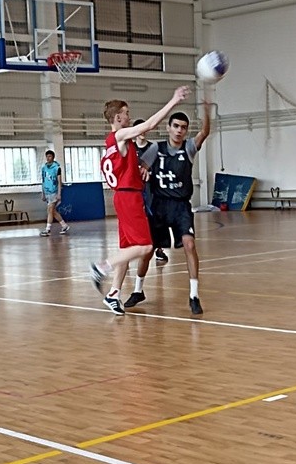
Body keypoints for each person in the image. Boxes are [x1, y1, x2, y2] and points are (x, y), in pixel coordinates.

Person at [90, 87, 190, 315]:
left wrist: (140, 168)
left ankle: (113, 294)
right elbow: (149, 125)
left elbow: (124, 165)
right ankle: (101, 267)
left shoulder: (111, 143)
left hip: (122, 196)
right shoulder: (120, 135)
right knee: (145, 247)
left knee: (127, 249)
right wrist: (173, 100)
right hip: (129, 197)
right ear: (118, 117)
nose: (129, 116)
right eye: (126, 113)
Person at [124, 102, 211, 315]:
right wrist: (144, 173)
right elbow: (142, 168)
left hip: (181, 206)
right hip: (159, 206)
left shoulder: (188, 148)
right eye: (176, 126)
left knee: (189, 245)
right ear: (168, 128)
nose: (179, 130)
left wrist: (207, 114)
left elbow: (204, 133)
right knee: (147, 251)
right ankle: (138, 290)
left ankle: (194, 295)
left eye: (183, 127)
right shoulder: (156, 148)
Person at [132, 119, 168, 264]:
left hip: (151, 188)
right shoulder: (130, 148)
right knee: (136, 219)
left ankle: (159, 248)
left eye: (144, 129)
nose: (143, 132)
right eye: (140, 129)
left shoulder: (153, 148)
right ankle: (132, 250)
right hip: (135, 189)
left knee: (155, 217)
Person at [40, 149, 69, 236]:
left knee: (50, 210)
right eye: (47, 156)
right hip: (47, 192)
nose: (48, 158)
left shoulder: (57, 168)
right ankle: (64, 225)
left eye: (50, 156)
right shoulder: (44, 168)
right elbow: (43, 181)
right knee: (53, 211)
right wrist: (43, 193)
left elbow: (59, 182)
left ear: (53, 157)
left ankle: (47, 229)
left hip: (54, 192)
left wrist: (59, 193)